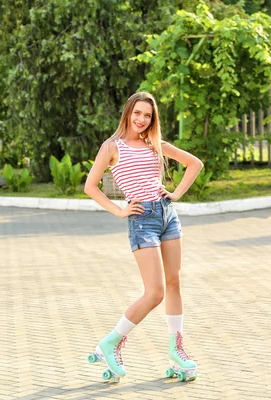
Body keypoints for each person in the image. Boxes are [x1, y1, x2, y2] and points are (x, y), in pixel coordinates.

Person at [84, 91, 203, 381]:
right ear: (128, 113)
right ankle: (111, 342)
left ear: (152, 119)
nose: (141, 119)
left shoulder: (155, 145)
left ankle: (177, 350)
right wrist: (119, 211)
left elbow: (195, 164)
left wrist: (174, 193)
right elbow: (90, 186)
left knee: (174, 283)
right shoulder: (112, 147)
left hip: (166, 215)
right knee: (155, 292)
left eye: (147, 115)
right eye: (137, 113)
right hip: (141, 221)